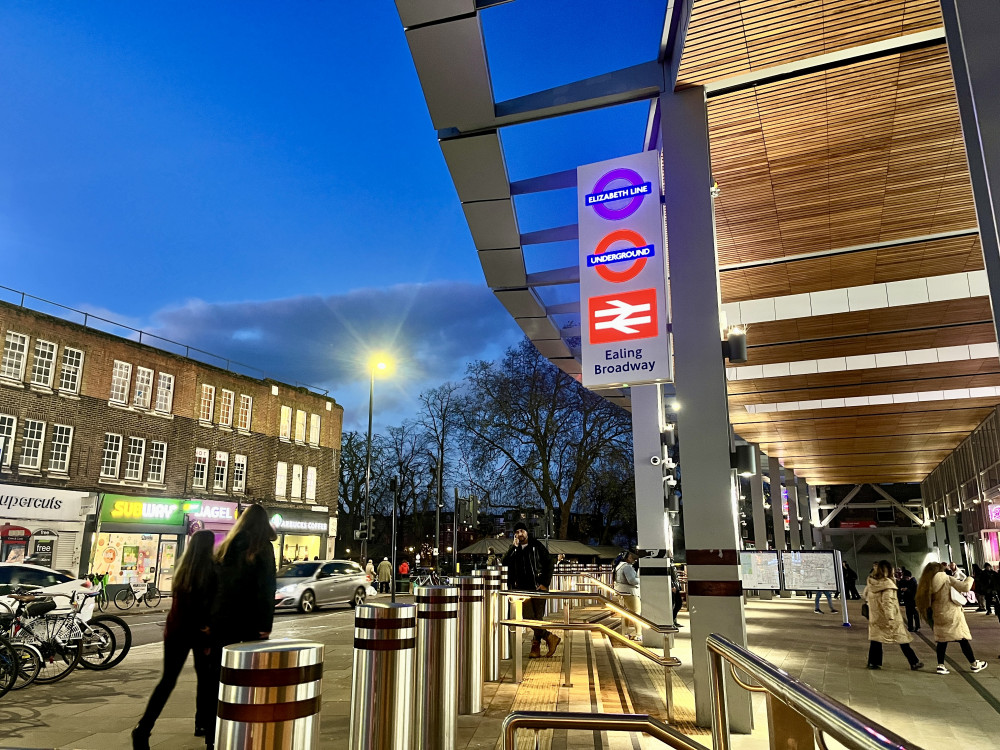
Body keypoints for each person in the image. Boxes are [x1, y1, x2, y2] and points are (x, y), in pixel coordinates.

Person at [132, 531, 217, 750]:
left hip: (176, 632)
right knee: (206, 681)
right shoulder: (209, 569)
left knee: (167, 681)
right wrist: (206, 629)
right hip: (199, 633)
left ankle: (143, 728)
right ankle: (204, 725)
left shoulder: (183, 569)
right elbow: (204, 605)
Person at [207, 504, 278, 745]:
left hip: (222, 620)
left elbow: (215, 586)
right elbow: (266, 588)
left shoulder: (227, 546)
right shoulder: (262, 548)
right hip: (249, 621)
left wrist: (209, 619)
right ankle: (244, 731)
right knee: (248, 676)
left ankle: (213, 733)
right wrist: (265, 624)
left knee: (219, 675)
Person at [915, 561, 987, 675]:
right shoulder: (946, 578)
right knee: (962, 639)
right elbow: (965, 587)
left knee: (942, 641)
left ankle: (940, 665)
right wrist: (970, 578)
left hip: (938, 615)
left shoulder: (927, 583)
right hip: (952, 614)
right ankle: (974, 664)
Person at [502, 521, 559, 659]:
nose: (519, 534)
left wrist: (545, 583)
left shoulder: (536, 546)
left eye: (522, 531)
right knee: (528, 618)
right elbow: (504, 563)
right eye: (517, 532)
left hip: (538, 588)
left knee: (537, 618)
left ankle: (535, 648)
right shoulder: (515, 550)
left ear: (527, 532)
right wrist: (512, 548)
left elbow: (549, 562)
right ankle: (550, 637)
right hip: (522, 590)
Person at [863, 560, 923, 670]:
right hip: (890, 618)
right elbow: (887, 602)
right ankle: (914, 662)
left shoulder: (871, 582)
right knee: (902, 639)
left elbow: (864, 595)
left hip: (875, 616)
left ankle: (873, 662)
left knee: (876, 639)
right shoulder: (887, 584)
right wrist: (890, 616)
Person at [613, 549, 642, 640]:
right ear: (625, 558)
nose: (632, 558)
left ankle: (625, 632)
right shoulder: (627, 567)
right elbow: (632, 580)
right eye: (630, 556)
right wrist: (641, 580)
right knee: (636, 613)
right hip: (630, 593)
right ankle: (638, 634)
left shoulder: (618, 567)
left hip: (620, 592)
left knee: (625, 613)